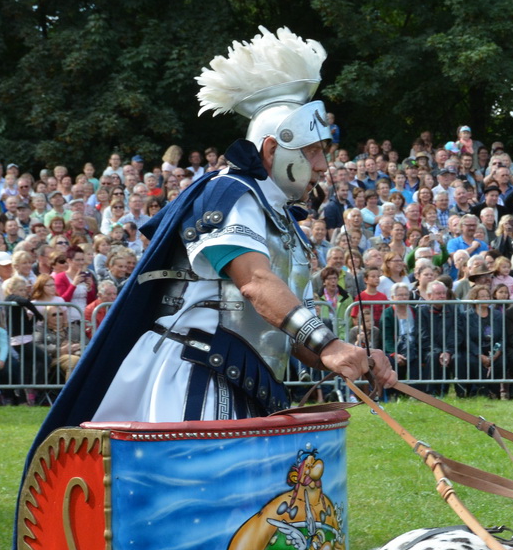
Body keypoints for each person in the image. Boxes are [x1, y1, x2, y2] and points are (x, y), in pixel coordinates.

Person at [30, 27, 392, 448]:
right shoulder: (231, 192)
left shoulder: (287, 224)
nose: (322, 166)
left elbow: (298, 339)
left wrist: (353, 356)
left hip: (247, 380)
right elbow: (255, 282)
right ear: (272, 150)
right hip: (196, 372)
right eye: (312, 151)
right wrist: (328, 343)